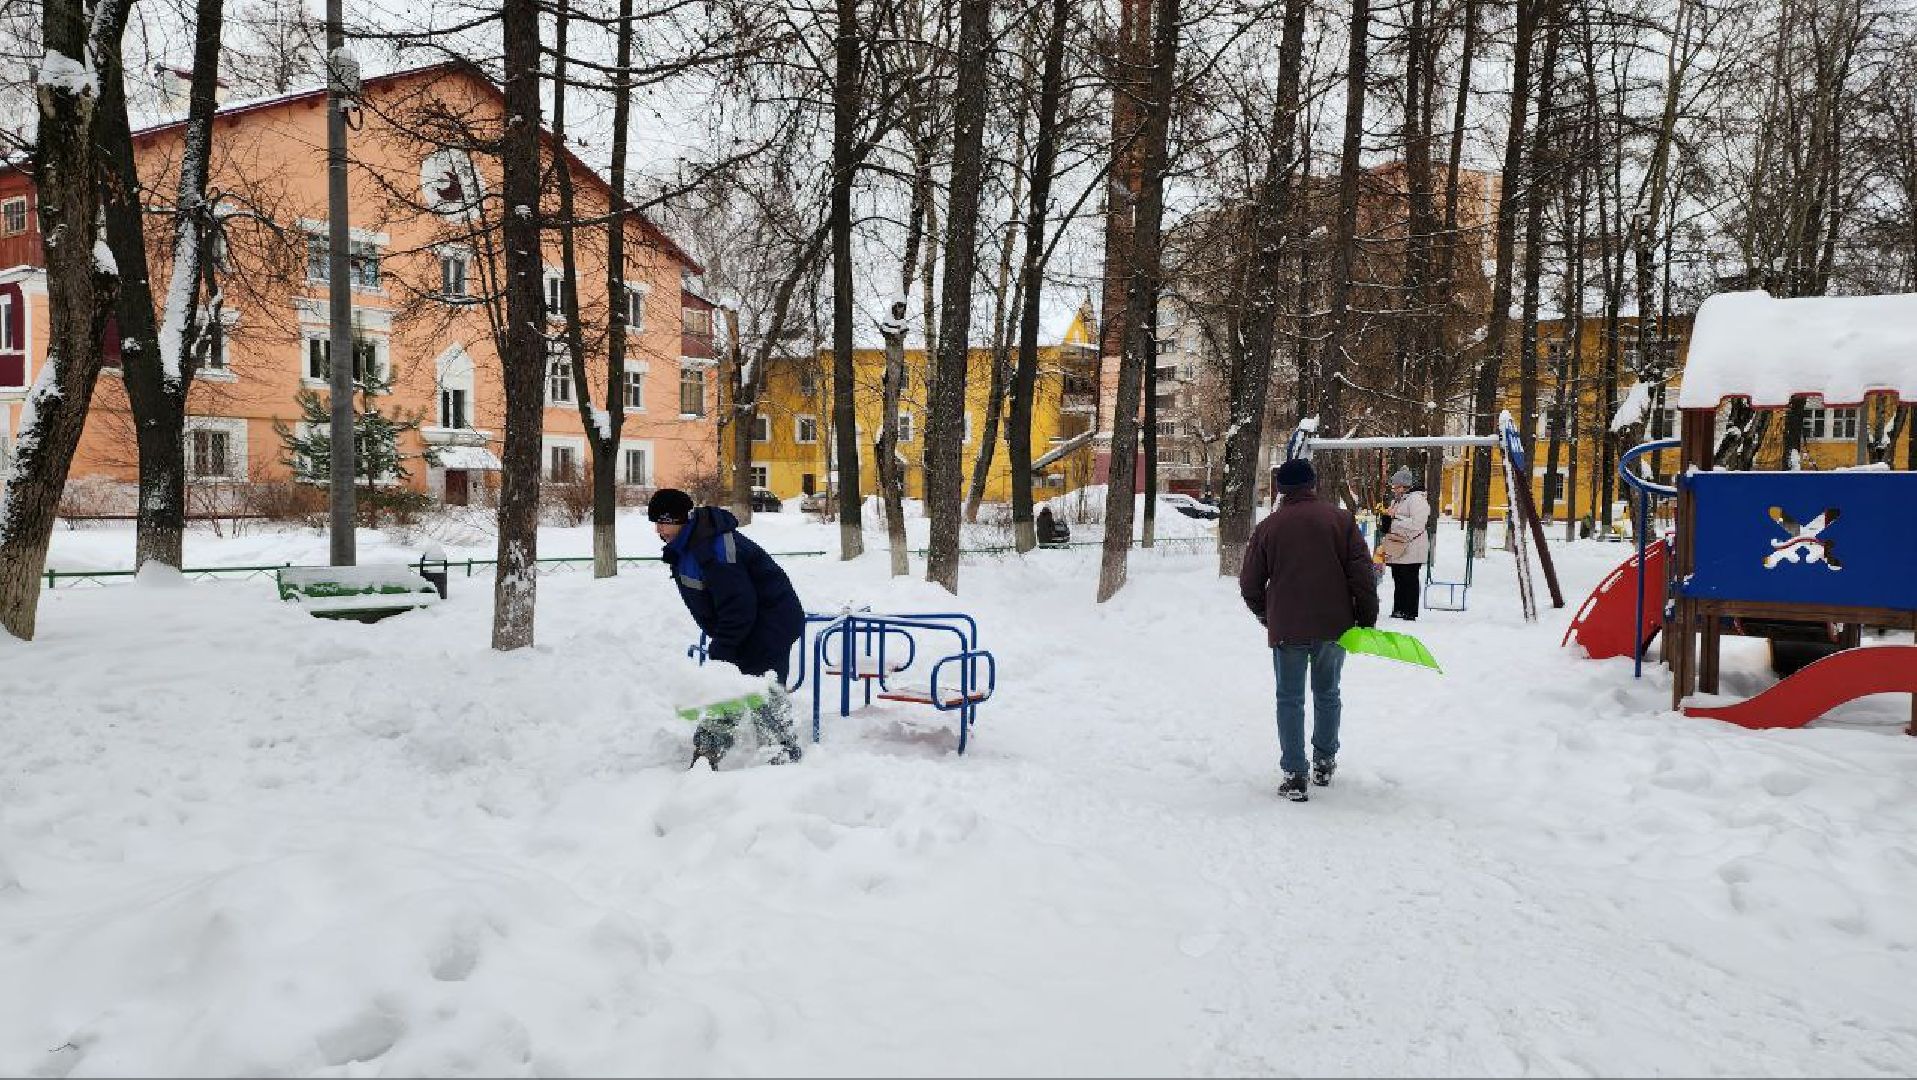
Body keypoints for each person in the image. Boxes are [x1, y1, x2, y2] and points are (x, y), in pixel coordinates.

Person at [1239, 457, 1379, 802]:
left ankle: (1294, 774)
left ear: (1281, 490)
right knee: (1328, 693)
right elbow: (1362, 575)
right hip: (1334, 624)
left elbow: (1250, 583)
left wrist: (1267, 615)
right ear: (1312, 484)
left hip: (1288, 626)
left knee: (1290, 699)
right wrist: (1365, 617)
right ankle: (1324, 761)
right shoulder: (1341, 521)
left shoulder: (1269, 528)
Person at [651, 488, 807, 768]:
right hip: (745, 625)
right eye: (656, 523)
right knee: (726, 689)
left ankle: (783, 761)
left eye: (663, 522)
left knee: (761, 693)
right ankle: (707, 756)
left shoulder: (715, 549)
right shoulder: (689, 546)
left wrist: (723, 648)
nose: (658, 530)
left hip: (771, 624)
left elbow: (738, 605)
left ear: (681, 520)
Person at [1380, 467, 1431, 621]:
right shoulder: (1398, 500)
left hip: (1412, 547)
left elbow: (1417, 524)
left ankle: (1410, 611)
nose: (1394, 489)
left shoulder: (1417, 500)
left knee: (1409, 578)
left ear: (1404, 486)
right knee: (1398, 578)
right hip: (1398, 545)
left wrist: (1396, 517)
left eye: (1396, 486)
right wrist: (1386, 517)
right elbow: (1392, 522)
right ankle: (1398, 609)